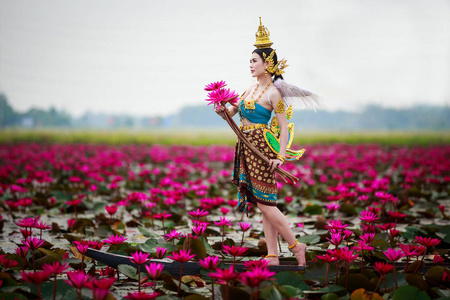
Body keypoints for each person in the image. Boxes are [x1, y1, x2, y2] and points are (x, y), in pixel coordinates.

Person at [215, 18, 321, 267]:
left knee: (267, 204)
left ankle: (297, 247)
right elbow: (232, 114)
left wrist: (280, 156)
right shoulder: (248, 90)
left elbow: (283, 128)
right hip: (245, 147)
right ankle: (272, 255)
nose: (250, 65)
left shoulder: (274, 92)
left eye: (254, 60)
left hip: (262, 149)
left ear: (267, 63)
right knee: (265, 205)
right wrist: (223, 109)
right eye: (250, 61)